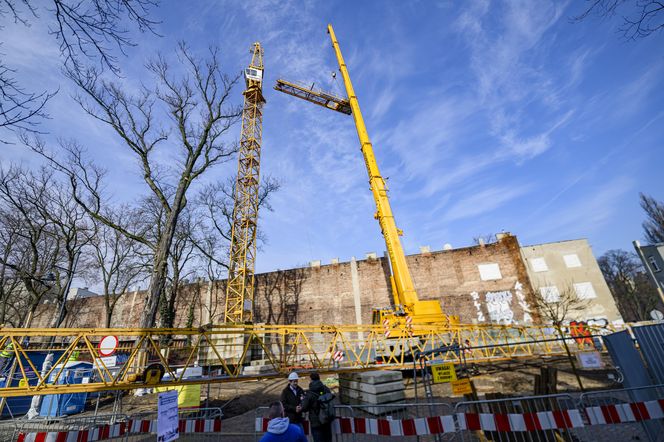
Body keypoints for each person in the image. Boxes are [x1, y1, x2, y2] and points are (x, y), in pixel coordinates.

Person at [301, 372, 333, 442]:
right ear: (319, 378)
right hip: (327, 419)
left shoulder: (310, 393)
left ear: (311, 380)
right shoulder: (326, 389)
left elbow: (304, 408)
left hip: (316, 423)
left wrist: (302, 400)